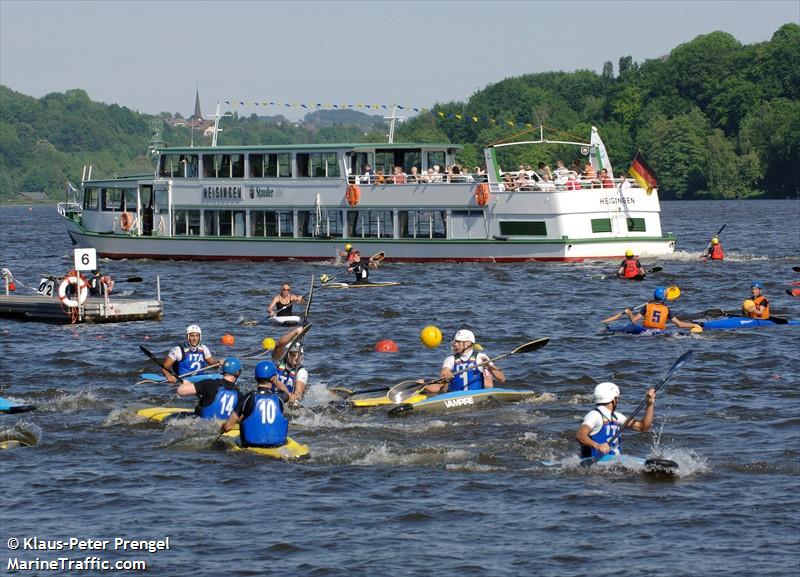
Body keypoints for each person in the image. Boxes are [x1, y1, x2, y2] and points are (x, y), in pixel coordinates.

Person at [576, 381, 656, 459]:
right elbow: (580, 435)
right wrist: (598, 446)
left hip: (614, 463)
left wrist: (650, 404)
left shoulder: (617, 417)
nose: (617, 401)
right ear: (613, 399)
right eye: (616, 398)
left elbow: (643, 427)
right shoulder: (594, 415)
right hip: (596, 463)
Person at [220, 360, 289, 448]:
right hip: (276, 445)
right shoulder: (279, 397)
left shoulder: (247, 398)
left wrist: (220, 430)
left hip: (250, 446)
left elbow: (228, 427)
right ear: (273, 378)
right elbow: (287, 394)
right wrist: (276, 381)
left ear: (256, 378)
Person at [425, 329, 506, 394]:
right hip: (455, 398)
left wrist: (488, 365)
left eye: (458, 342)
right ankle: (424, 385)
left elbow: (502, 379)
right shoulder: (450, 359)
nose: (455, 344)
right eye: (455, 342)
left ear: (468, 343)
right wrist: (446, 373)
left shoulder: (481, 357)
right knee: (442, 384)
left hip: (476, 395)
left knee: (488, 378)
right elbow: (444, 371)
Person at [175, 357, 241, 420]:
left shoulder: (210, 384)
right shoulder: (239, 395)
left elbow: (180, 391)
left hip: (200, 423)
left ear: (223, 370)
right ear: (238, 373)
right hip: (222, 425)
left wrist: (186, 382)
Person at [625, 286, 696, 331]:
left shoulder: (647, 306)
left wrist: (629, 313)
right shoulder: (666, 309)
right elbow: (679, 324)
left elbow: (633, 320)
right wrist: (693, 325)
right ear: (663, 298)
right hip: (660, 333)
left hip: (645, 332)